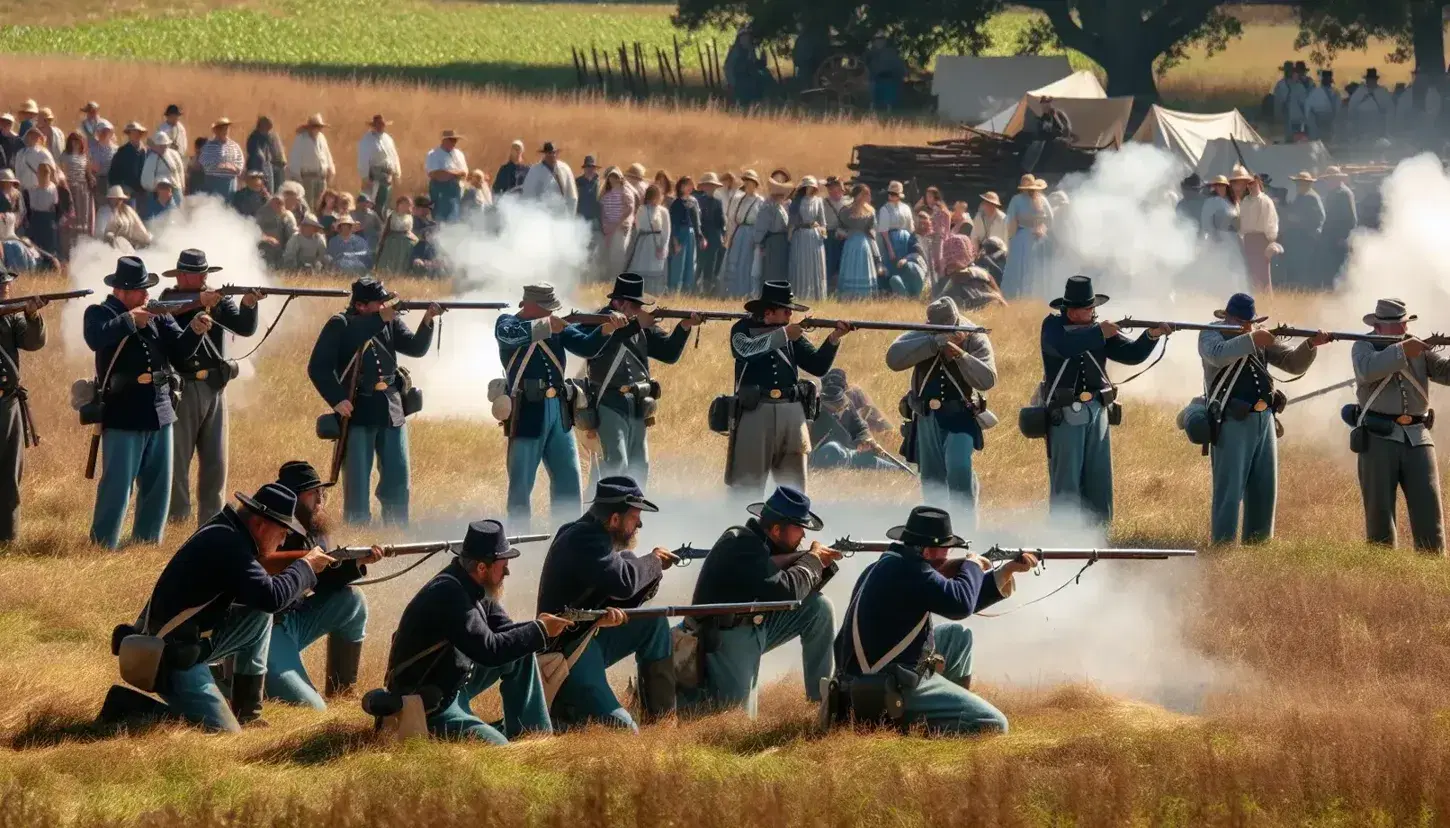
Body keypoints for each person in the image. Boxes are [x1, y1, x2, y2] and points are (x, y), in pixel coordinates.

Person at [114, 484, 331, 731]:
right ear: (260, 525)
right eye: (282, 533)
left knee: (258, 614)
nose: (283, 541)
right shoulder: (230, 544)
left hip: (190, 642)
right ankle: (125, 707)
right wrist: (305, 566)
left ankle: (248, 713)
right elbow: (272, 597)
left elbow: (262, 600)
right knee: (221, 733)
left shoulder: (229, 531)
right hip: (171, 656)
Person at [828, 506, 1034, 735]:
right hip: (886, 687)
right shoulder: (912, 572)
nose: (948, 555)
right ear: (927, 552)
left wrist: (1005, 571)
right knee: (994, 725)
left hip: (869, 678)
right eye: (945, 549)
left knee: (958, 637)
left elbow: (957, 598)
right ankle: (935, 720)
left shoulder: (890, 566)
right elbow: (960, 604)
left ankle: (951, 705)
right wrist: (973, 565)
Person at [384, 518, 569, 742]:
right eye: (503, 564)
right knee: (500, 751)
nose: (507, 571)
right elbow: (490, 651)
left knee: (522, 651)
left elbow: (507, 632)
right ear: (482, 567)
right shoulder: (450, 595)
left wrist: (541, 627)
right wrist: (540, 629)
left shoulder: (473, 585)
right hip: (432, 705)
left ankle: (535, 736)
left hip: (453, 681)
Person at [83, 256, 208, 549]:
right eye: (140, 290)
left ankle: (147, 543)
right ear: (122, 291)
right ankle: (104, 544)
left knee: (158, 486)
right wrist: (129, 321)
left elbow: (180, 352)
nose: (147, 295)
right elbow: (95, 338)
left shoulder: (157, 315)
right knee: (117, 486)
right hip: (123, 410)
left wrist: (195, 331)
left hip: (160, 408)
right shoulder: (100, 313)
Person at [536, 476, 676, 731]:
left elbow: (623, 594)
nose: (639, 524)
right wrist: (654, 561)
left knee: (652, 621)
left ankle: (662, 723)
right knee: (622, 730)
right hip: (569, 652)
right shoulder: (584, 538)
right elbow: (624, 581)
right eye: (634, 517)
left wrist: (651, 569)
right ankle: (561, 719)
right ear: (614, 519)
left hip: (590, 637)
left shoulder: (592, 536)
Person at [683, 487, 838, 716]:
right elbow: (789, 591)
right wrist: (813, 560)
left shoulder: (758, 545)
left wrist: (815, 564)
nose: (803, 536)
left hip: (754, 626)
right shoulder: (742, 545)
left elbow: (796, 593)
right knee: (737, 726)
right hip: (725, 635)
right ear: (776, 529)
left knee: (819, 608)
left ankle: (820, 705)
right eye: (799, 528)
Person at [308, 277, 441, 525]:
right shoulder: (342, 324)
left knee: (397, 474)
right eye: (378, 302)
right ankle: (357, 527)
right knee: (357, 479)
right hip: (359, 407)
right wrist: (337, 399)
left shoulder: (387, 321)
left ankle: (396, 525)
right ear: (360, 305)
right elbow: (318, 367)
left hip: (391, 406)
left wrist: (428, 320)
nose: (383, 305)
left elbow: (416, 348)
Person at [1038, 276, 1168, 524]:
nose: (1093, 312)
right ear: (1073, 312)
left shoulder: (1097, 330)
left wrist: (1151, 336)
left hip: (1098, 409)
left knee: (1099, 478)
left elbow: (1131, 355)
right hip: (1065, 411)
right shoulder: (1053, 327)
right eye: (1088, 308)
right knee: (1066, 480)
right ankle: (1062, 536)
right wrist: (1099, 332)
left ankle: (1099, 535)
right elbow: (1064, 347)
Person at [1198, 292, 1324, 545]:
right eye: (1244, 322)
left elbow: (1292, 364)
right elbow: (1218, 355)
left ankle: (1259, 543)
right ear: (1229, 317)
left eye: (1250, 322)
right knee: (1229, 489)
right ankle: (1223, 544)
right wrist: (1252, 337)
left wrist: (1310, 345)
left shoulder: (1258, 334)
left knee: (1264, 487)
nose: (1248, 326)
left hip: (1264, 418)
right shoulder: (1211, 333)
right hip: (1231, 419)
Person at [494, 283, 614, 524]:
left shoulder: (557, 327)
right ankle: (519, 538)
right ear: (531, 305)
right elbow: (507, 336)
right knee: (521, 484)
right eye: (546, 308)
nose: (551, 313)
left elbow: (586, 346)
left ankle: (567, 535)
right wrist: (547, 325)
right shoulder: (507, 322)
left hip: (560, 411)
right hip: (527, 410)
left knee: (569, 480)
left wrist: (606, 330)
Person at [264, 461, 379, 709]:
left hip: (296, 618)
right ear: (293, 498)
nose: (321, 498)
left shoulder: (313, 527)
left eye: (322, 492)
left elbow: (323, 581)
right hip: (269, 628)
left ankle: (342, 693)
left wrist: (357, 563)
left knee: (353, 601)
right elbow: (263, 573)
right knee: (313, 709)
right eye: (313, 492)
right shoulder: (271, 528)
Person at [726, 281, 851, 496]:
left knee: (794, 488)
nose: (789, 316)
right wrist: (783, 335)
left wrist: (833, 339)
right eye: (786, 311)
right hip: (755, 412)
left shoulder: (790, 334)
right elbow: (744, 350)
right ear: (768, 312)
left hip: (792, 413)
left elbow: (817, 365)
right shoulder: (743, 329)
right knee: (746, 488)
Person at [1350, 298, 1450, 553]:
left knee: (1429, 511)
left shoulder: (1418, 346)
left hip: (1417, 436)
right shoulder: (1363, 345)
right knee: (1379, 515)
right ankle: (1384, 573)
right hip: (1378, 435)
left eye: (1405, 323)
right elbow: (1367, 370)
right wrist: (1404, 351)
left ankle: (1432, 566)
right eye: (1399, 325)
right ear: (1380, 326)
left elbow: (1443, 372)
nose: (1404, 329)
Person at [579, 274, 698, 487]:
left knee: (639, 466)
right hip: (608, 402)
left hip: (638, 405)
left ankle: (631, 516)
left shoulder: (641, 324)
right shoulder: (598, 322)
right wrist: (636, 325)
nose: (640, 310)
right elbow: (593, 345)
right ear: (618, 303)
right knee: (615, 465)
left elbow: (669, 353)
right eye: (635, 305)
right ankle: (600, 515)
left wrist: (685, 326)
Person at [888, 295, 997, 522]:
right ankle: (936, 534)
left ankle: (965, 528)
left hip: (961, 414)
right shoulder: (922, 333)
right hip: (926, 417)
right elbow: (894, 358)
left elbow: (987, 379)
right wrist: (933, 343)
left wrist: (960, 355)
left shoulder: (973, 336)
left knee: (959, 466)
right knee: (932, 482)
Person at [0, 274, 46, 542]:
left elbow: (33, 342)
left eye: (7, 281)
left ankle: (7, 538)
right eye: (1, 282)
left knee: (10, 474)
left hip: (7, 403)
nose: (6, 285)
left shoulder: (11, 314)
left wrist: (31, 316)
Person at [808, 371, 898, 472]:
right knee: (833, 449)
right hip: (825, 454)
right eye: (832, 405)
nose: (837, 408)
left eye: (839, 404)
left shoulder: (848, 402)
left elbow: (860, 427)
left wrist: (867, 440)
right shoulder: (811, 409)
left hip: (847, 451)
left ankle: (897, 469)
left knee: (872, 458)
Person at [1001, 175, 1055, 300]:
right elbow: (1050, 219)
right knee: (1038, 269)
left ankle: (1018, 297)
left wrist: (1010, 236)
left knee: (1020, 269)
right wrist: (1042, 228)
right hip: (1040, 238)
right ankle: (1038, 296)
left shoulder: (1016, 199)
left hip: (1022, 237)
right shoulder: (1042, 199)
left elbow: (1009, 220)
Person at [721, 170, 764, 297]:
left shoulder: (760, 201)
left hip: (751, 233)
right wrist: (729, 236)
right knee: (735, 260)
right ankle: (733, 291)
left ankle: (745, 291)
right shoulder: (738, 199)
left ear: (755, 184)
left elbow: (760, 221)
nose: (748, 185)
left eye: (750, 182)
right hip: (739, 232)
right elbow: (732, 219)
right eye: (746, 182)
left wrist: (758, 239)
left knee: (747, 262)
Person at [834, 184, 881, 299]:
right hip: (850, 243)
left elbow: (872, 229)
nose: (868, 196)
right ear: (859, 195)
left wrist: (872, 235)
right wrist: (844, 234)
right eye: (866, 194)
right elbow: (839, 228)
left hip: (864, 243)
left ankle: (864, 296)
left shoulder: (870, 211)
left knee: (862, 266)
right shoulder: (846, 210)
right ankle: (849, 295)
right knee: (851, 266)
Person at [1280, 172, 1324, 289]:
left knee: (1303, 267)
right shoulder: (1302, 196)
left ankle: (1304, 290)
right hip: (1300, 238)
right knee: (1298, 266)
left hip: (1306, 238)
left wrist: (1297, 220)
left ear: (1308, 184)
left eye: (1301, 183)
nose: (1298, 186)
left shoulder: (1311, 197)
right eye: (1298, 183)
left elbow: (1318, 219)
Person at [1237, 170, 1279, 295]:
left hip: (1262, 239)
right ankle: (1254, 297)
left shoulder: (1266, 201)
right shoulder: (1245, 201)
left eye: (1253, 183)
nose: (1251, 186)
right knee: (1251, 271)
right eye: (1248, 184)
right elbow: (1242, 221)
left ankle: (1267, 300)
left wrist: (1271, 240)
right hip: (1249, 238)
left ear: (1258, 183)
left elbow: (1272, 222)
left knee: (1264, 273)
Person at [786, 176, 828, 301]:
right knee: (801, 265)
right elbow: (791, 221)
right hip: (800, 235)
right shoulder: (797, 201)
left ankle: (816, 295)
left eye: (812, 186)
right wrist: (790, 234)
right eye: (808, 186)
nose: (810, 188)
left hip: (814, 236)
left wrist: (822, 231)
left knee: (814, 266)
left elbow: (823, 221)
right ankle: (800, 294)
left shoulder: (818, 201)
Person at [935, 235, 1003, 310]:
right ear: (968, 251)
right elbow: (1001, 299)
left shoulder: (947, 281)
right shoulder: (982, 273)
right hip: (988, 307)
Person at [626, 185, 670, 296]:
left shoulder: (663, 211)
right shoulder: (642, 209)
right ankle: (639, 292)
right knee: (642, 267)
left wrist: (663, 246)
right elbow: (640, 226)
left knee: (656, 270)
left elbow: (666, 230)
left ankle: (655, 293)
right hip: (644, 243)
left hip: (658, 244)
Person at [285, 114, 335, 208]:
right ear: (309, 127)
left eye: (319, 127)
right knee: (308, 205)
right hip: (307, 178)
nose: (318, 129)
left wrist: (331, 170)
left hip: (321, 177)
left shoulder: (322, 138)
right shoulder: (301, 139)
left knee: (320, 206)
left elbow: (327, 154)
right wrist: (297, 177)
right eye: (315, 126)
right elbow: (295, 158)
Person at [1319, 166, 1357, 285]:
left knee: (1339, 269)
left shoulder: (1345, 193)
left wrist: (1342, 236)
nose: (1328, 182)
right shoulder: (1332, 193)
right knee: (1330, 269)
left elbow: (1351, 219)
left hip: (1339, 238)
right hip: (1330, 237)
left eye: (1331, 179)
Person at [22, 162, 69, 258]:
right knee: (35, 244)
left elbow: (58, 207)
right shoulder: (31, 190)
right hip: (35, 219)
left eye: (45, 174)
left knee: (50, 245)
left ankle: (52, 262)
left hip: (48, 220)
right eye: (41, 173)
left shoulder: (54, 189)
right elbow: (28, 208)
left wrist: (55, 220)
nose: (43, 176)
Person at [598, 167, 636, 281]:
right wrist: (606, 224)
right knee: (610, 254)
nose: (613, 179)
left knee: (619, 253)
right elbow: (603, 211)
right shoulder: (606, 193)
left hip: (620, 228)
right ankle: (610, 278)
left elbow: (630, 208)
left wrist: (620, 222)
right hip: (609, 228)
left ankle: (617, 278)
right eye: (611, 177)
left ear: (620, 178)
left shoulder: (625, 191)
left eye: (615, 177)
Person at [667, 176, 703, 293]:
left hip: (691, 234)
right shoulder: (676, 203)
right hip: (680, 234)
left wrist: (700, 236)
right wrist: (675, 242)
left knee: (690, 263)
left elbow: (697, 222)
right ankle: (674, 290)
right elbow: (673, 224)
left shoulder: (693, 201)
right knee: (679, 263)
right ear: (681, 186)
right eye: (687, 184)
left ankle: (686, 290)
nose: (690, 187)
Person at [59, 132, 94, 251]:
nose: (76, 143)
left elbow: (88, 173)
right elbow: (61, 172)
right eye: (73, 140)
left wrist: (92, 179)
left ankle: (82, 241)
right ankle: (69, 243)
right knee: (71, 215)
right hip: (69, 188)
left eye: (78, 140)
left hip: (82, 189)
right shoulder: (65, 155)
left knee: (83, 216)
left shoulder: (84, 156)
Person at [877, 180, 914, 292]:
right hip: (891, 239)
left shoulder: (906, 208)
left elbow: (910, 226)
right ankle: (890, 289)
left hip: (905, 238)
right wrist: (890, 248)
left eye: (894, 194)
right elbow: (883, 231)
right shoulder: (885, 209)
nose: (891, 196)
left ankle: (905, 287)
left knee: (905, 264)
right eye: (890, 193)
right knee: (892, 263)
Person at [520, 141, 577, 214]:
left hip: (563, 216)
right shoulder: (535, 170)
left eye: (554, 153)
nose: (552, 155)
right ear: (545, 154)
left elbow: (572, 195)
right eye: (549, 153)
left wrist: (571, 218)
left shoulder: (565, 169)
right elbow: (528, 195)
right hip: (543, 216)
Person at [357, 114, 400, 208]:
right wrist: (365, 176)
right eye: (378, 124)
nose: (381, 127)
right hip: (375, 176)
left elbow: (394, 155)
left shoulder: (388, 139)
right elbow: (363, 158)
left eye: (382, 125)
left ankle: (382, 221)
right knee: (374, 202)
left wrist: (397, 173)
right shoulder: (367, 140)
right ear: (373, 126)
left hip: (387, 175)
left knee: (386, 202)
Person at [756, 177, 792, 286]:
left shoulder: (782, 207)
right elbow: (763, 227)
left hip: (782, 241)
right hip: (773, 241)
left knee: (780, 269)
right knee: (772, 269)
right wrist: (760, 243)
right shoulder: (768, 207)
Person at [426, 130, 468, 222]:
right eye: (451, 140)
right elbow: (436, 174)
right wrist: (456, 174)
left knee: (454, 217)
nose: (454, 142)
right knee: (440, 218)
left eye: (455, 140)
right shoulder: (433, 154)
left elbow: (464, 173)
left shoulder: (459, 154)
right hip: (441, 191)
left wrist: (448, 173)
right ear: (444, 140)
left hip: (456, 191)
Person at [696, 172, 726, 292]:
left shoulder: (718, 202)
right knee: (699, 262)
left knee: (711, 264)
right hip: (702, 235)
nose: (710, 188)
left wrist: (722, 235)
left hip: (714, 236)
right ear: (703, 186)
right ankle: (694, 288)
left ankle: (707, 290)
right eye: (708, 185)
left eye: (712, 186)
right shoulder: (698, 201)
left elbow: (721, 222)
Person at [199, 118, 244, 198]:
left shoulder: (234, 146)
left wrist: (232, 167)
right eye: (222, 129)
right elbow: (204, 163)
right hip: (214, 182)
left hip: (230, 183)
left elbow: (240, 163)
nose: (225, 131)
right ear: (216, 130)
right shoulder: (209, 146)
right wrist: (219, 166)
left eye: (226, 129)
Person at [96, 185, 149, 249]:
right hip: (108, 246)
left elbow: (138, 225)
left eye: (120, 199)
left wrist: (146, 238)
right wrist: (109, 237)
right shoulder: (103, 212)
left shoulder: (128, 210)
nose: (118, 201)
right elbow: (100, 231)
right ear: (110, 199)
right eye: (115, 199)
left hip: (127, 245)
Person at [724, 28, 769, 106]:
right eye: (744, 37)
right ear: (739, 39)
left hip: (750, 79)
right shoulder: (735, 51)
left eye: (747, 37)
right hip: (739, 80)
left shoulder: (750, 50)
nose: (746, 39)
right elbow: (728, 67)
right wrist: (732, 83)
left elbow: (755, 65)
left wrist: (762, 61)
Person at [1348, 68, 1394, 141]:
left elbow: (1389, 109)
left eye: (1372, 79)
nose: (1370, 81)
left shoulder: (1382, 92)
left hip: (1377, 123)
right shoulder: (1360, 91)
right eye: (1369, 79)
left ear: (1376, 80)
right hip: (1362, 123)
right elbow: (1352, 107)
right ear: (1366, 80)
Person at [820, 176, 850, 289]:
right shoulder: (824, 203)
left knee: (844, 263)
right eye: (831, 189)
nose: (833, 191)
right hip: (830, 236)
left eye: (836, 188)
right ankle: (828, 288)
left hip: (846, 237)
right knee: (829, 262)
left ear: (842, 189)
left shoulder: (849, 202)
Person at [141, 132, 185, 204]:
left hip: (175, 188)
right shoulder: (151, 158)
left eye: (164, 145)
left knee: (178, 210)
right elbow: (147, 176)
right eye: (160, 145)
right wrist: (153, 188)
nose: (163, 147)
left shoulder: (174, 154)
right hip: (156, 191)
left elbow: (180, 170)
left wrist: (182, 185)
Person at [865, 34, 907, 112]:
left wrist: (902, 73)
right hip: (875, 77)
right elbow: (867, 65)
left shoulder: (890, 52)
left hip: (889, 77)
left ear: (884, 41)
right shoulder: (870, 53)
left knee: (889, 93)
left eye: (881, 40)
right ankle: (873, 108)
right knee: (874, 93)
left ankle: (889, 108)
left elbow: (898, 64)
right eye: (877, 40)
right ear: (874, 42)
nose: (879, 42)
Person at [245, 116, 285, 196]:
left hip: (270, 169)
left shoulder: (270, 136)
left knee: (271, 193)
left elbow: (278, 154)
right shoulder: (254, 138)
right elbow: (257, 156)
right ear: (261, 126)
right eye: (267, 128)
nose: (268, 130)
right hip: (257, 170)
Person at [375, 195, 415, 273]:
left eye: (406, 204)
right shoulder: (392, 215)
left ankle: (402, 271)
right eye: (402, 204)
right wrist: (382, 240)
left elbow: (409, 231)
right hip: (393, 239)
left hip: (405, 239)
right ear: (398, 205)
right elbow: (387, 229)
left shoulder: (409, 217)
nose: (404, 206)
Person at [255, 194, 296, 267]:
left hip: (282, 250)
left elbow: (292, 236)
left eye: (280, 203)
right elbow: (254, 230)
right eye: (276, 203)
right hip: (265, 247)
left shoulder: (288, 216)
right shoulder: (262, 214)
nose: (278, 205)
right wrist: (266, 238)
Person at [1200, 174, 1239, 248]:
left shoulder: (1232, 201)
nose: (1219, 187)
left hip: (1234, 239)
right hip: (1218, 240)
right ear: (1214, 187)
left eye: (1222, 185)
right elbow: (1206, 221)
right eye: (1217, 185)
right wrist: (1214, 236)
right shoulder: (1210, 201)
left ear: (1226, 186)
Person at [1305, 69, 1340, 142]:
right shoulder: (1315, 92)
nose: (1327, 80)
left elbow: (1338, 108)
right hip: (1318, 123)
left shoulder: (1336, 92)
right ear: (1323, 80)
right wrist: (1311, 124)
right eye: (1326, 78)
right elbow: (1308, 109)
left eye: (1329, 78)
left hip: (1331, 123)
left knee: (1329, 142)